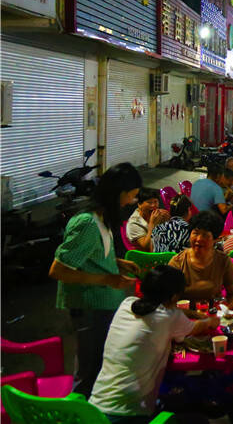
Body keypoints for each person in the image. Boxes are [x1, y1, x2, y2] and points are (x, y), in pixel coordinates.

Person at [48, 163, 143, 397]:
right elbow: (59, 270)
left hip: (104, 304)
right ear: (119, 193)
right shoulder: (87, 223)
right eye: (131, 196)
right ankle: (78, 412)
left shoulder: (102, 219)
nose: (131, 202)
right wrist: (107, 279)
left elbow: (92, 256)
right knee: (89, 370)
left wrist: (118, 263)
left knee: (100, 365)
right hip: (89, 306)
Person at [89, 266, 219, 421]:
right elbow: (197, 327)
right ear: (173, 296)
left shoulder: (127, 304)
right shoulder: (168, 317)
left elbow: (166, 310)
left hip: (95, 410)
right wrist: (212, 321)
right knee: (199, 420)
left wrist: (192, 313)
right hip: (128, 414)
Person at [167, 211, 233, 308]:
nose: (199, 239)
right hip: (185, 317)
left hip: (213, 315)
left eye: (205, 235)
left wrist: (224, 311)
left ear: (215, 239)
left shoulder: (223, 261)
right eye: (195, 233)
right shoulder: (177, 262)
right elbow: (168, 299)